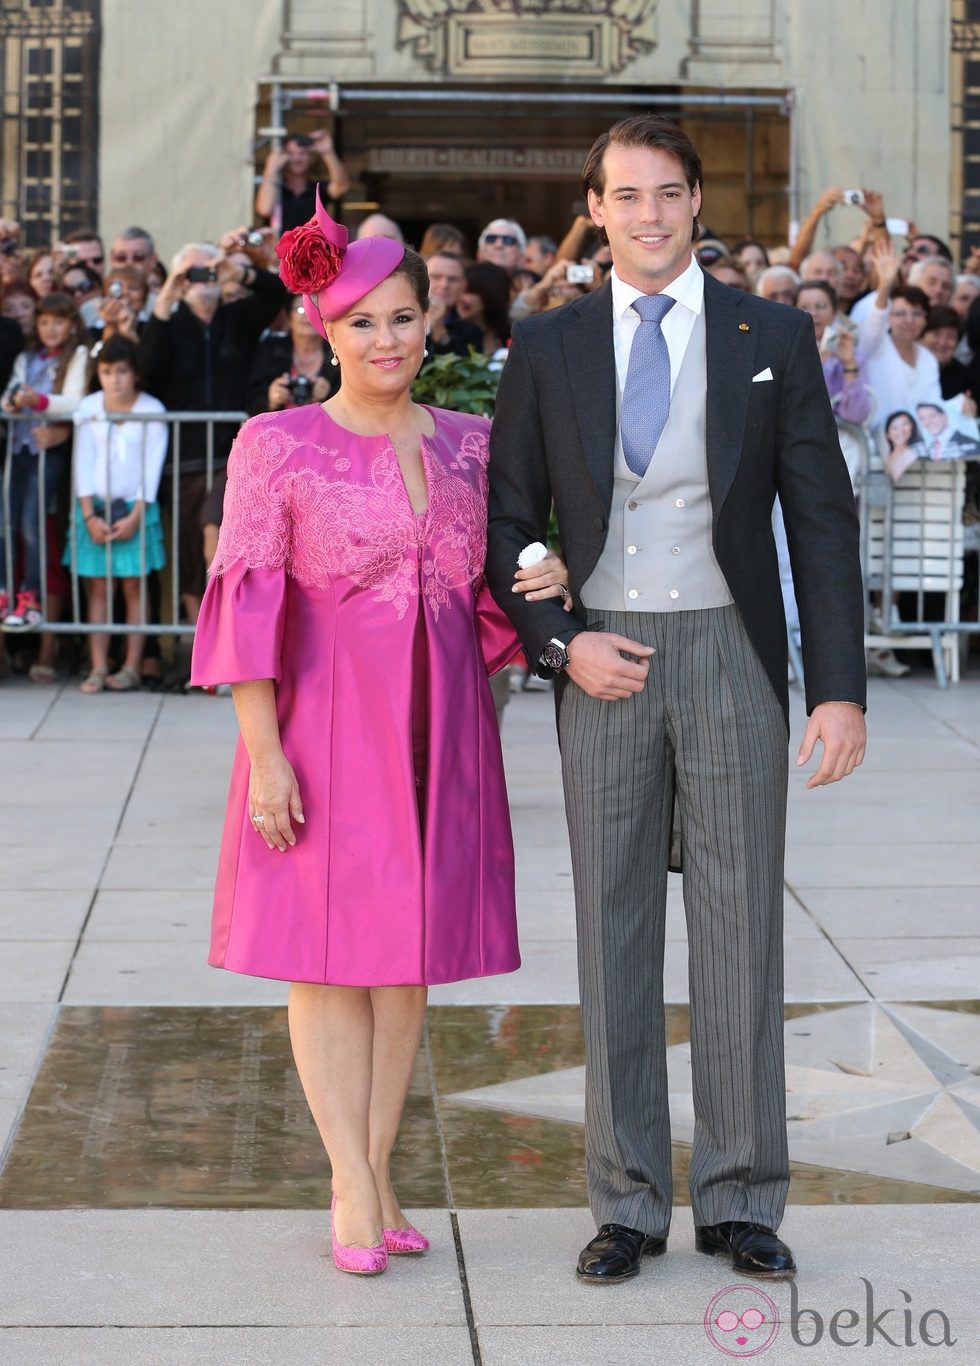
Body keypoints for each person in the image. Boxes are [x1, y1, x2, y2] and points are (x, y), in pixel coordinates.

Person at [487, 114, 866, 1287]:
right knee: (611, 931)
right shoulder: (545, 345)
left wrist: (839, 690)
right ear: (593, 210)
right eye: (625, 196)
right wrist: (557, 647)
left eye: (667, 194)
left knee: (741, 923)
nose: (648, 216)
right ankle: (628, 1200)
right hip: (602, 657)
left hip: (730, 654)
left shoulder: (772, 333)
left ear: (696, 203)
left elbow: (817, 517)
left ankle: (743, 1194)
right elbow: (506, 526)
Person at [189, 189, 569, 1276]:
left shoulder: (470, 444)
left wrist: (550, 578)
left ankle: (379, 1165)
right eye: (362, 322)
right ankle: (349, 1182)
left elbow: (501, 583)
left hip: (438, 726)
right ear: (324, 328)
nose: (386, 338)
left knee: (403, 967)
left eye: (403, 316)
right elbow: (248, 601)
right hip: (320, 726)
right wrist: (264, 756)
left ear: (429, 318)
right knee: (326, 961)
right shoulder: (276, 444)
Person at [136, 234, 288, 623]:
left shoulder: (237, 317)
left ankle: (229, 637)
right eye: (195, 272)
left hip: (233, 455)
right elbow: (146, 368)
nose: (203, 279)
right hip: (184, 458)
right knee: (190, 553)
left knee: (225, 547)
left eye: (209, 270)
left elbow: (275, 294)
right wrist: (166, 296)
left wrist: (237, 270)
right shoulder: (169, 324)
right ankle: (195, 645)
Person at [65, 335, 167, 692]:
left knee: (134, 585)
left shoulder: (152, 409)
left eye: (121, 371)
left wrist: (137, 514)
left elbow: (151, 466)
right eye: (107, 372)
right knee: (96, 587)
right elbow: (82, 462)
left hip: (135, 509)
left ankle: (131, 665)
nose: (115, 379)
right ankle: (97, 666)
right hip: (94, 508)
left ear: (134, 373)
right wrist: (88, 515)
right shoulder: (89, 407)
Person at [0, 291, 88, 630]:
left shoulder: (76, 354)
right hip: (19, 450)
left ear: (71, 325)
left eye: (59, 322)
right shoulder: (26, 357)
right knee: (8, 521)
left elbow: (74, 400)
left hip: (47, 452)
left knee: (32, 522)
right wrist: (12, 401)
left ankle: (31, 594)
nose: (51, 329)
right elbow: (10, 391)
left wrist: (38, 401)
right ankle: (7, 590)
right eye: (45, 322)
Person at [858, 248, 941, 430]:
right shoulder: (876, 347)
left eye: (917, 313)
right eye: (900, 313)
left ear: (926, 319)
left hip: (919, 446)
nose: (909, 320)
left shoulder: (928, 358)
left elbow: (934, 406)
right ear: (889, 318)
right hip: (876, 445)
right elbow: (875, 321)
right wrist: (885, 285)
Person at [245, 294, 336, 416]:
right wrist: (271, 400)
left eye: (314, 309)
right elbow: (251, 401)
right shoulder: (271, 348)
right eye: (300, 309)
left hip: (324, 431)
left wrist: (328, 397)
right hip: (280, 431)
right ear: (288, 318)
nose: (307, 315)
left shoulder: (337, 351)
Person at [794, 281, 872, 424]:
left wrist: (849, 365)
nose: (814, 313)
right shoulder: (787, 355)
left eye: (821, 306)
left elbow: (856, 415)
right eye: (804, 307)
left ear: (834, 312)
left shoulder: (848, 353)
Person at [255, 129, 351, 235]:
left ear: (311, 158)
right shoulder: (275, 189)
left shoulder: (317, 189)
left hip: (310, 249)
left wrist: (328, 152)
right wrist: (271, 168)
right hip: (277, 249)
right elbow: (264, 209)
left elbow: (342, 187)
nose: (297, 158)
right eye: (291, 153)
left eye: (303, 153)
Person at [423, 251, 484, 358]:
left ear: (463, 286)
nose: (444, 285)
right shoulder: (399, 318)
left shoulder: (472, 332)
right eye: (436, 277)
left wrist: (439, 330)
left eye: (452, 279)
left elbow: (463, 369)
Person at [457, 262, 511, 354]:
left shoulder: (513, 335)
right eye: (459, 290)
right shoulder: (449, 336)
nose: (460, 298)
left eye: (468, 291)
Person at [921, 306, 970, 399]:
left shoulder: (964, 378)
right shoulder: (906, 368)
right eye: (936, 334)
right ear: (921, 336)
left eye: (950, 337)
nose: (943, 343)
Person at [881, 409, 925, 482]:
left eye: (904, 424)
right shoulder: (886, 457)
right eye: (894, 427)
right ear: (887, 435)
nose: (901, 430)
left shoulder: (916, 453)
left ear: (912, 427)